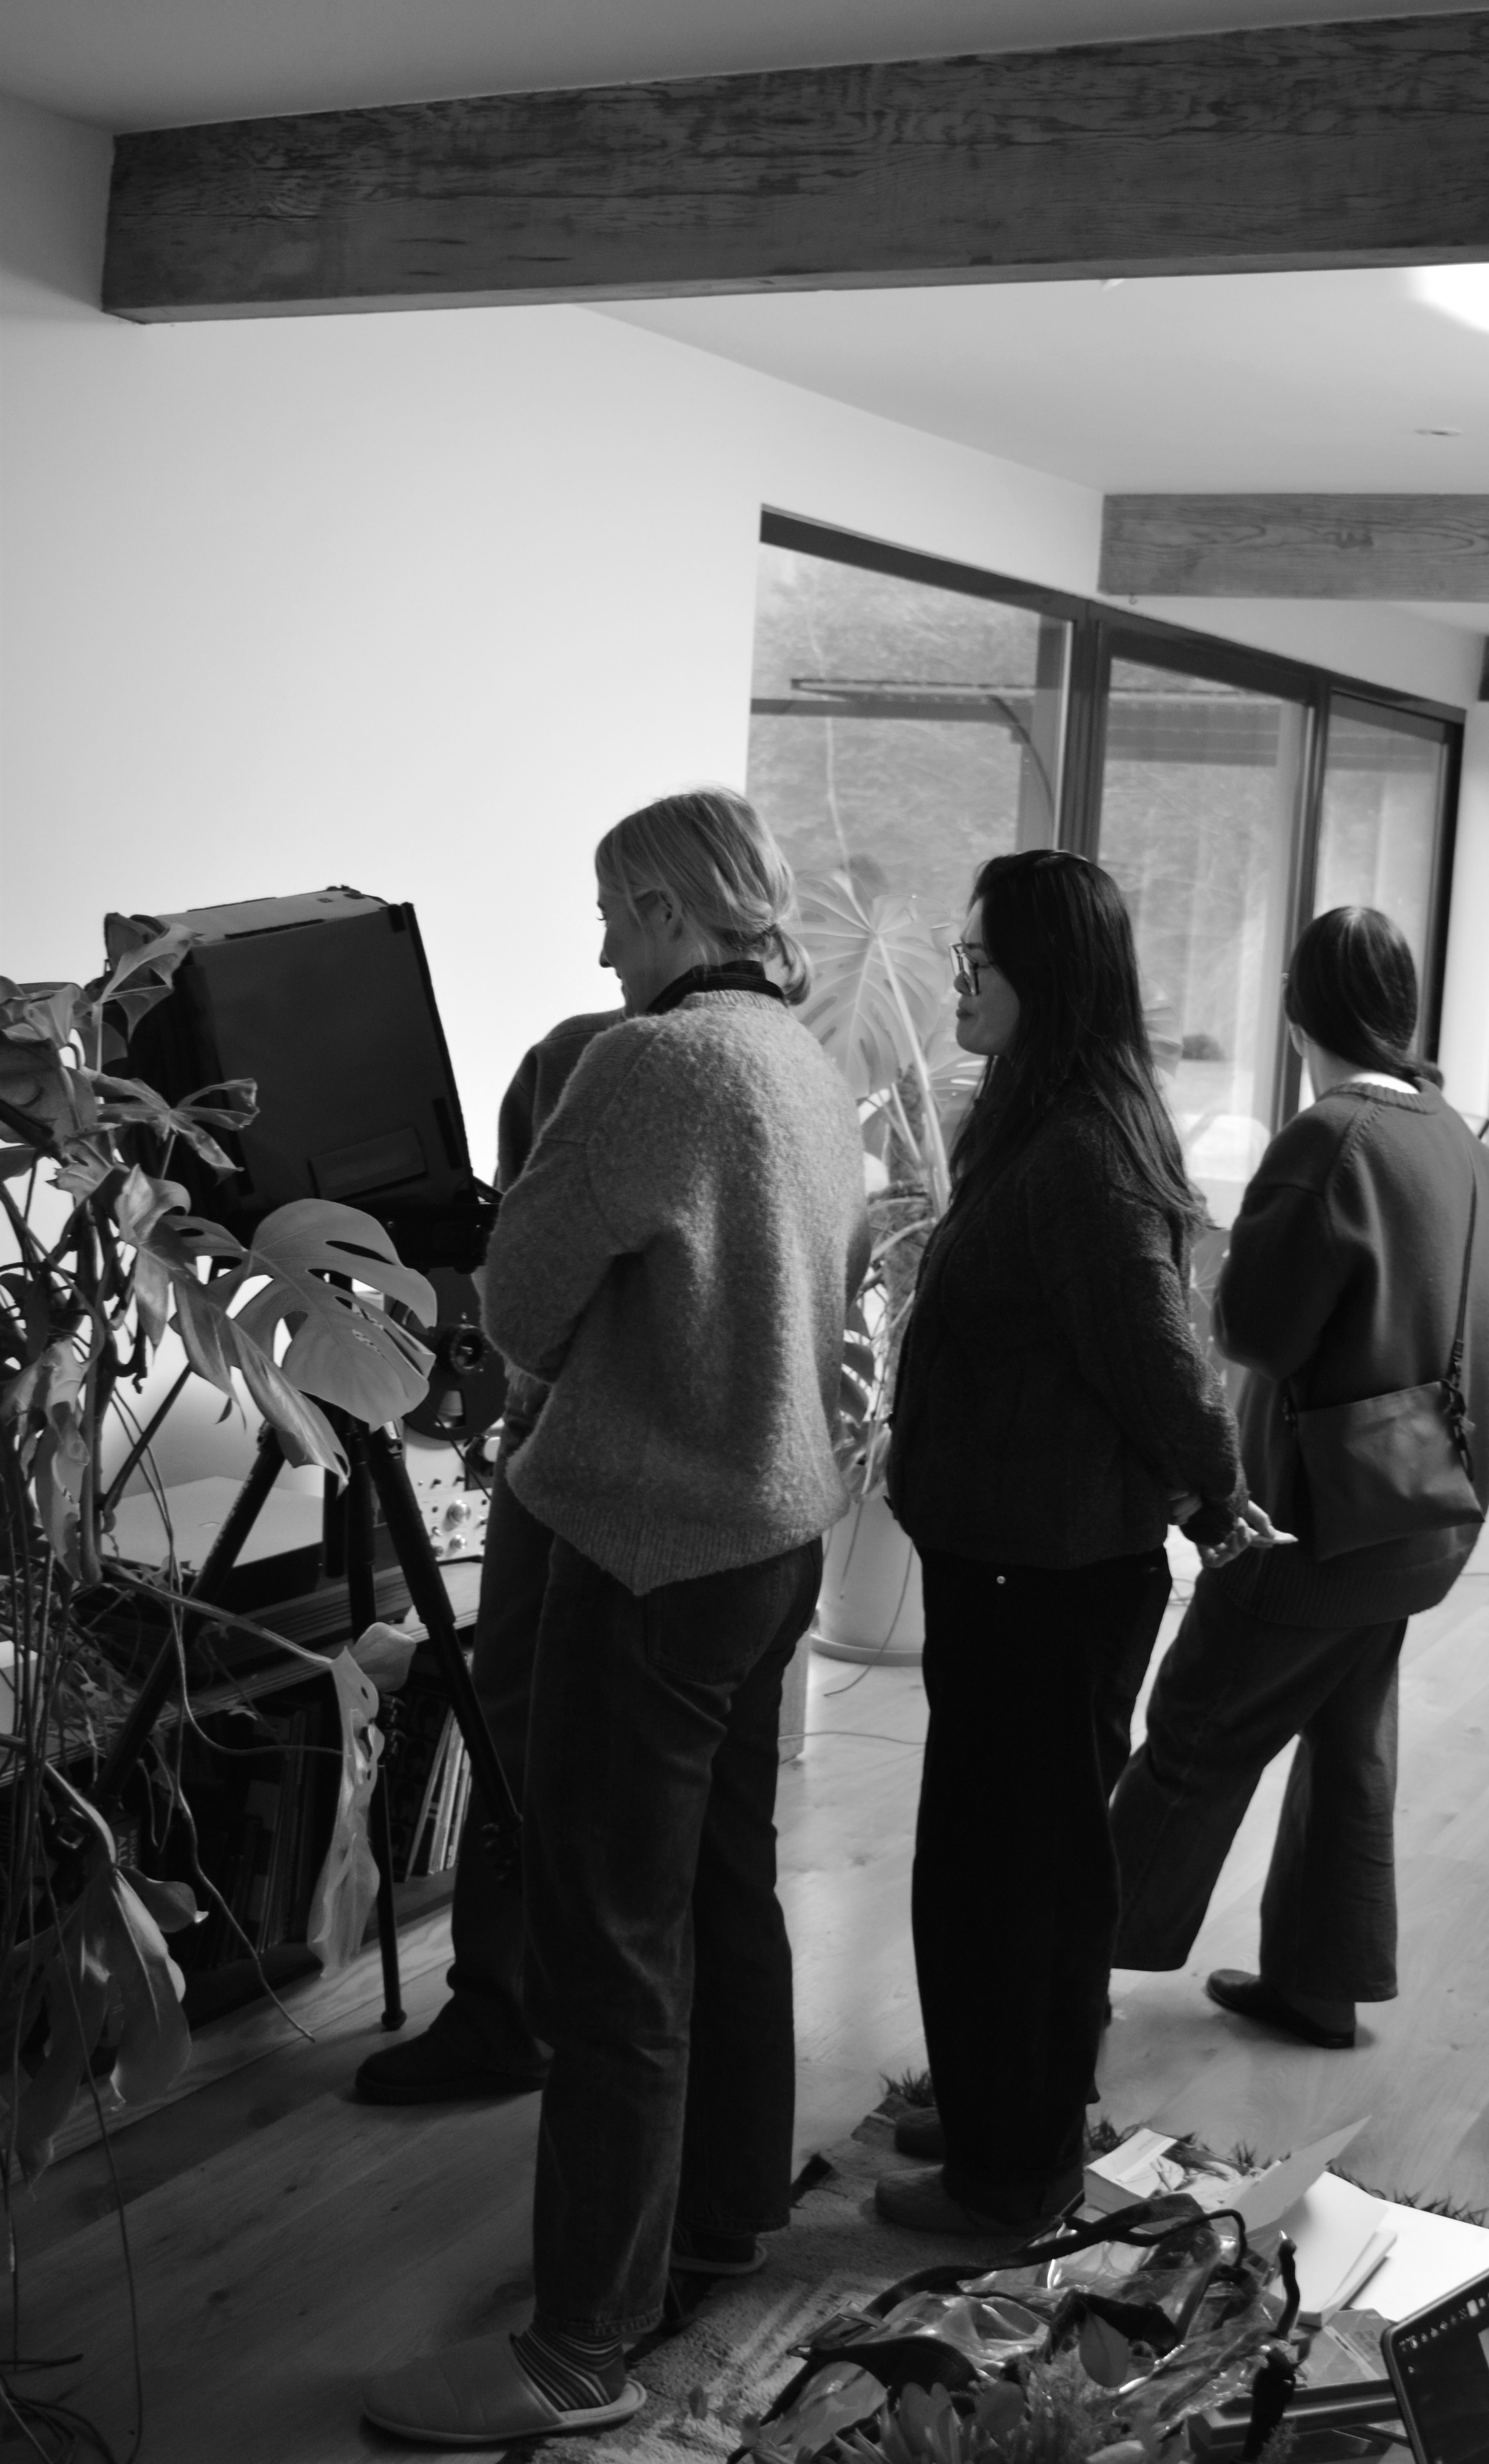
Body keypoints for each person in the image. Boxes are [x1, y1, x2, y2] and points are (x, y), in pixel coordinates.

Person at [362, 788, 869, 2447]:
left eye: (608, 912)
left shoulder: (651, 1064)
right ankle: (720, 2226)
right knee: (723, 1900)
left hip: (646, 1549)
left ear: (664, 908)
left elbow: (518, 1303)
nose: (598, 950)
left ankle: (581, 2346)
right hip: (770, 1534)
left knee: (608, 1947)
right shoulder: (801, 1061)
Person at [874, 849, 1271, 2241]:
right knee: (991, 1864)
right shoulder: (1044, 1122)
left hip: (1045, 1577)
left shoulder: (1084, 1153)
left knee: (1016, 1876)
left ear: (1048, 977)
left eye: (977, 960)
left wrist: (1217, 1495)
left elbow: (1160, 1363)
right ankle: (1002, 2111)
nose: (957, 982)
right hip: (1012, 1561)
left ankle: (1016, 2169)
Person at [1109, 906, 1489, 2050]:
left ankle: (1060, 1990)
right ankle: (1318, 1982)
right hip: (1421, 1510)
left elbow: (1256, 1331)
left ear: (1298, 1013)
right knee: (1347, 1732)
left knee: (1196, 1731)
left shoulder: (1327, 1141)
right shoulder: (1452, 1135)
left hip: (1313, 1520)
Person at [353, 1003, 622, 2105]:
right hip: (700, 1500)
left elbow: (516, 1302)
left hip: (567, 1465)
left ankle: (503, 2015)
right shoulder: (764, 1066)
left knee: (512, 1720)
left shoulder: (579, 1061)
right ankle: (565, 2007)